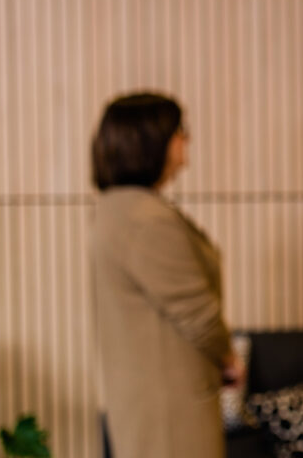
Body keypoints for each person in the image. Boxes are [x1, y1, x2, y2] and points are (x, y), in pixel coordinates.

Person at [89, 92, 241, 458]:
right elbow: (197, 312)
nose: (187, 139)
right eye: (180, 130)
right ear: (151, 141)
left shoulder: (120, 208)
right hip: (170, 407)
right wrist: (229, 358)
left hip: (150, 398)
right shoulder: (146, 219)